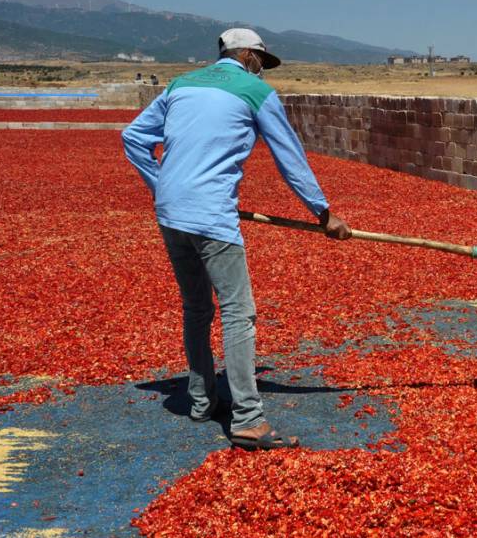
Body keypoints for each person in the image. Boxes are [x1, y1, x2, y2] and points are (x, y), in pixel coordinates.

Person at [122, 28, 351, 450]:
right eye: (261, 61)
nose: (262, 69)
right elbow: (290, 157)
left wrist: (163, 185)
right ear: (246, 54)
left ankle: (201, 401)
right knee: (238, 313)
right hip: (211, 217)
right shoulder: (254, 92)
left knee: (196, 308)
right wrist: (324, 214)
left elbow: (133, 137)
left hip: (171, 214)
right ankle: (247, 417)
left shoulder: (180, 84)